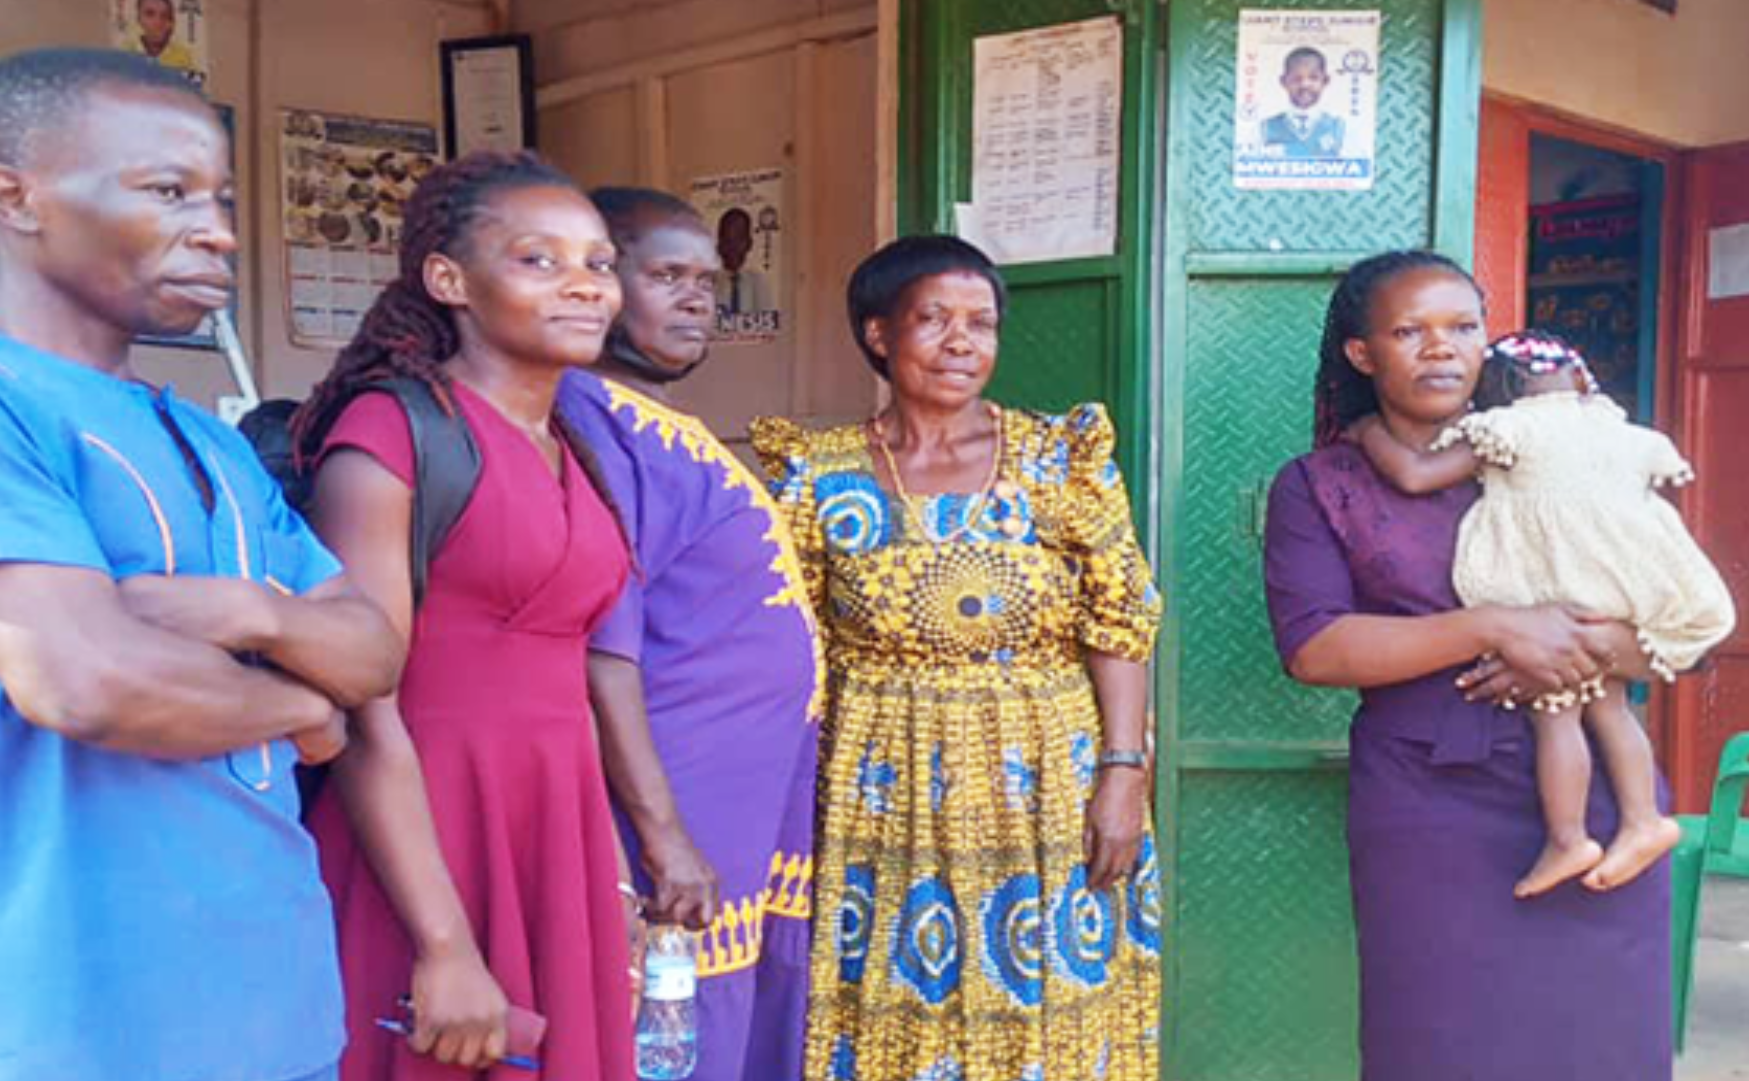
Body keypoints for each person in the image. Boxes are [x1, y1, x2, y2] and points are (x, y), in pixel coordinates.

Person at [0, 48, 402, 1081]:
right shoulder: (15, 406)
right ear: (16, 196)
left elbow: (371, 648)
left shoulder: (213, 442)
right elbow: (89, 682)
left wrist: (250, 613)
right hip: (76, 1027)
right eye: (167, 190)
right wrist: (303, 708)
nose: (219, 229)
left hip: (275, 1008)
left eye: (219, 197)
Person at [752, 235, 1163, 1081]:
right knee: (884, 986)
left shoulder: (1058, 459)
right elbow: (790, 640)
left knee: (1049, 988)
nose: (961, 342)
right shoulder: (815, 473)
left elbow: (1120, 618)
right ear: (879, 333)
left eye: (982, 323)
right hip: (876, 781)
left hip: (1045, 774)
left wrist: (1124, 772)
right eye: (933, 319)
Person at [1265, 250, 1674, 1081]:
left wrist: (1572, 650)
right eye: (1408, 332)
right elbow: (1314, 647)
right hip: (1427, 799)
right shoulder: (1320, 484)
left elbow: (1675, 625)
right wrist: (1494, 627)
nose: (1440, 348)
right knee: (1438, 1044)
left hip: (1599, 799)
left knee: (1602, 1045)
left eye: (1462, 327)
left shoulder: (1560, 453)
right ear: (1362, 353)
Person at [292, 151, 635, 1080]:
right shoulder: (390, 432)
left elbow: (567, 682)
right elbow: (362, 704)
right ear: (448, 280)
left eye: (599, 263)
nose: (584, 285)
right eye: (539, 259)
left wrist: (607, 874)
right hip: (420, 839)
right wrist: (442, 941)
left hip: (554, 831)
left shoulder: (570, 446)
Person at [556, 187, 821, 1081]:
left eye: (706, 281)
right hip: (679, 791)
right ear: (599, 283)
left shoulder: (655, 420)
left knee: (742, 1009)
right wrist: (663, 835)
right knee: (678, 1022)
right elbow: (605, 649)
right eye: (666, 275)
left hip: (744, 789)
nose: (697, 299)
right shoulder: (593, 421)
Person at [1350, 328, 1733, 897]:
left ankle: (1568, 839)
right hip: (1618, 590)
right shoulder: (1615, 427)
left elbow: (1415, 475)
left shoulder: (1512, 426)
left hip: (1552, 593)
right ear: (1578, 377)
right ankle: (1644, 820)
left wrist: (1368, 433)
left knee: (1556, 715)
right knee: (1612, 707)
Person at [1260, 46, 1344, 159]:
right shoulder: (1265, 128)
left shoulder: (1338, 128)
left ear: (1325, 81)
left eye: (1313, 78)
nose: (1304, 84)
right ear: (1283, 81)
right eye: (1296, 78)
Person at [119, 0, 200, 75]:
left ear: (171, 23)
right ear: (139, 19)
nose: (158, 22)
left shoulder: (184, 57)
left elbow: (195, 81)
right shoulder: (125, 52)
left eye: (164, 15)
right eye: (150, 14)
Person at [714, 207, 770, 318]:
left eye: (739, 239)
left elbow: (767, 321)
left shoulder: (758, 282)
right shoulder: (710, 284)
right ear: (718, 246)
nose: (733, 247)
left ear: (749, 243)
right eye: (727, 240)